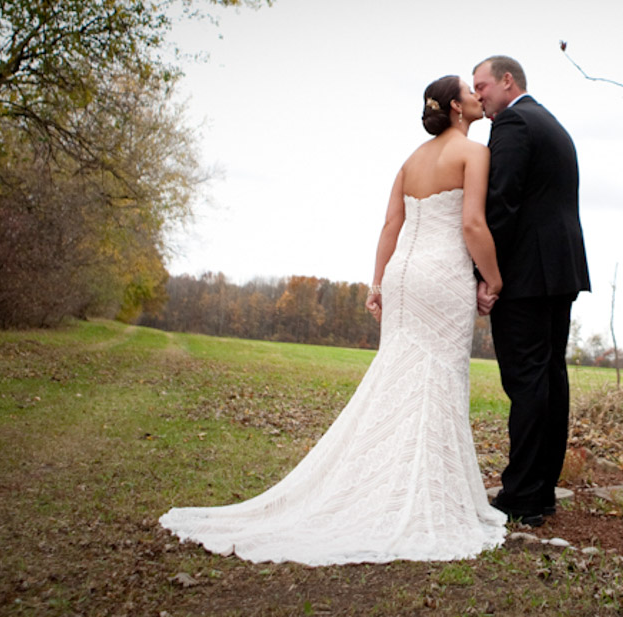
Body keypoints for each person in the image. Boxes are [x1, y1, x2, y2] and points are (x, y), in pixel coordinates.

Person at [159, 75, 508, 565]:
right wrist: (493, 281)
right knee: (439, 379)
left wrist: (377, 284)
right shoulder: (474, 154)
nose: (477, 98)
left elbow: (391, 225)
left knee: (399, 376)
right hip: (442, 276)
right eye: (470, 93)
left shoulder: (410, 162)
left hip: (405, 279)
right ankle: (419, 494)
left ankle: (390, 480)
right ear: (456, 107)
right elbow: (472, 224)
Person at [471, 55, 591, 527]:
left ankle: (520, 494)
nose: (478, 94)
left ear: (507, 80)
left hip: (525, 274)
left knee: (526, 382)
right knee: (548, 380)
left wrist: (484, 271)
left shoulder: (515, 121)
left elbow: (502, 202)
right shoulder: (551, 121)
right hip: (558, 270)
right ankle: (540, 491)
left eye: (482, 85)